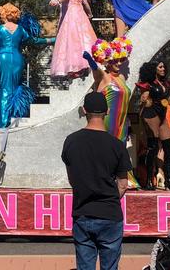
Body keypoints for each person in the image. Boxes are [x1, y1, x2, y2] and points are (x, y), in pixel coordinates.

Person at [61, 92, 132, 270]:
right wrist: (109, 197)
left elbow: (72, 179)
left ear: (84, 111)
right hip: (110, 213)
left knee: (85, 266)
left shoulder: (71, 141)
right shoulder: (117, 145)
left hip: (82, 211)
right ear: (107, 111)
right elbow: (123, 184)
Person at [0, 3, 54, 129]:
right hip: (18, 59)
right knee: (14, 87)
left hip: (3, 58)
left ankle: (1, 123)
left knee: (4, 89)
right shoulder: (21, 30)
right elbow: (34, 41)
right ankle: (11, 118)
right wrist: (52, 40)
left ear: (4, 14)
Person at [83, 37, 139, 188]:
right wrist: (90, 60)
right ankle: (103, 178)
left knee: (120, 149)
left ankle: (123, 178)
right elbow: (96, 69)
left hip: (122, 121)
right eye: (115, 61)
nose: (119, 64)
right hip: (108, 120)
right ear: (106, 60)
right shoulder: (104, 77)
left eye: (121, 60)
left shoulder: (121, 79)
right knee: (107, 148)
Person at [137, 61, 170, 191]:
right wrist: (144, 99)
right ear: (153, 69)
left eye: (164, 66)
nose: (163, 68)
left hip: (163, 115)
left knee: (168, 148)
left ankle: (169, 181)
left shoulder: (165, 84)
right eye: (160, 67)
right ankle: (149, 180)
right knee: (153, 147)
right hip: (151, 114)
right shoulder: (148, 84)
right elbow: (144, 99)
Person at [48, 0, 97, 77]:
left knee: (71, 40)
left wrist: (57, 1)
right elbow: (84, 1)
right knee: (82, 39)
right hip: (80, 14)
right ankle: (83, 65)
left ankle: (74, 68)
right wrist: (89, 14)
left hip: (70, 14)